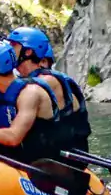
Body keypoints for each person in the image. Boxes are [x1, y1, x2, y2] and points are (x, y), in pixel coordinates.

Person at [7, 26, 92, 155]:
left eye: (13, 45)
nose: (8, 50)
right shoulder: (29, 80)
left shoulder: (45, 82)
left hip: (61, 157)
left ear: (28, 52)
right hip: (44, 147)